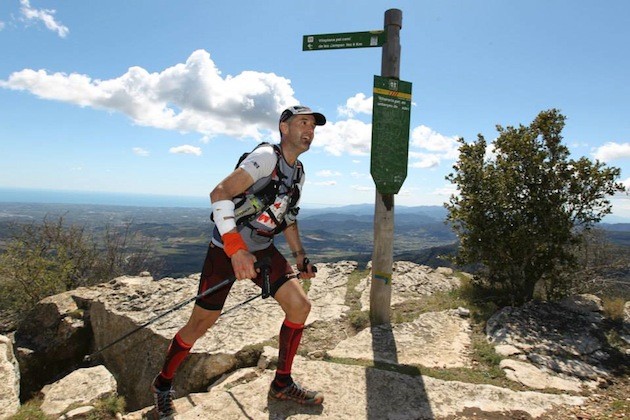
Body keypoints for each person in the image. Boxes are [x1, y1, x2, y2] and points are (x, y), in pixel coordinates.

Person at [151, 105, 326, 418]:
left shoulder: (298, 171)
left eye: (313, 126)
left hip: (261, 248)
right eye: (303, 123)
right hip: (225, 250)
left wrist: (300, 257)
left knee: (300, 306)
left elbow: (287, 217)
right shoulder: (266, 157)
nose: (309, 131)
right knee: (200, 324)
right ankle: (162, 384)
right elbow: (219, 193)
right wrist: (235, 249)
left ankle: (282, 383)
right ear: (283, 127)